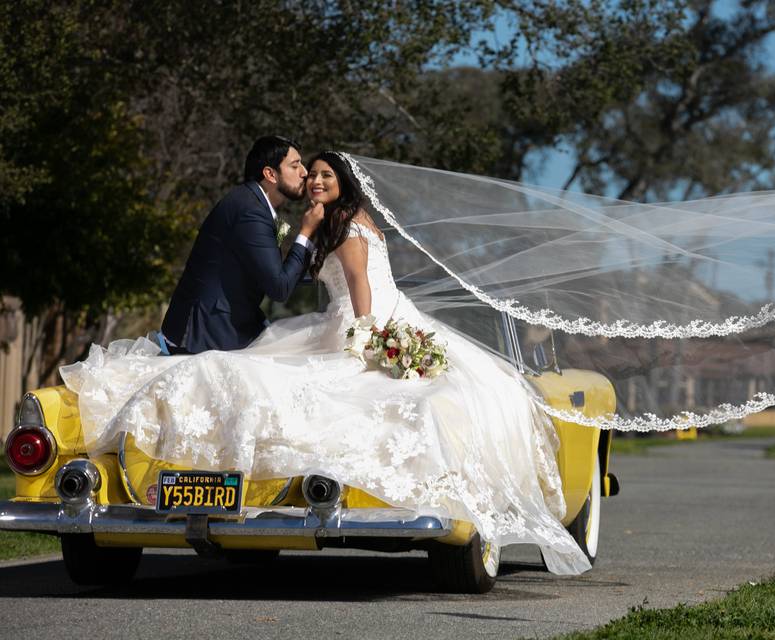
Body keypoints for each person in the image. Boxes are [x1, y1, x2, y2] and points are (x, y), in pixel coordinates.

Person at [61, 150, 592, 575]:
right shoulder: (327, 221)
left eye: (323, 175)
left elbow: (359, 285)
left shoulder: (349, 224)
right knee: (248, 371)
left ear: (343, 182)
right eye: (309, 174)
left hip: (368, 322)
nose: (314, 181)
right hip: (337, 323)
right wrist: (308, 232)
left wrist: (368, 340)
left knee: (356, 392)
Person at [160, 136, 325, 354]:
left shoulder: (257, 205)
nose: (304, 172)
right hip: (206, 333)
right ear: (270, 174)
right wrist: (306, 231)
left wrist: (324, 270)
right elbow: (279, 288)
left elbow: (272, 276)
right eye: (295, 165)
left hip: (232, 323)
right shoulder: (251, 212)